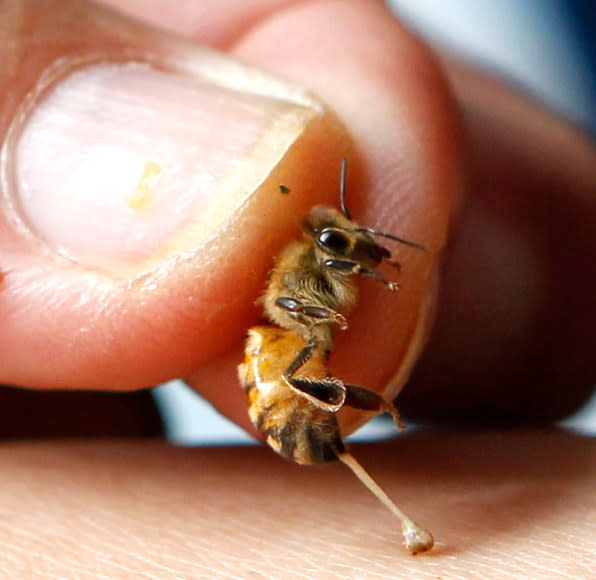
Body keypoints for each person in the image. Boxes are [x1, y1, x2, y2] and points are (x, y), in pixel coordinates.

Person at [0, 0, 594, 576]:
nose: (361, 255)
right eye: (348, 252)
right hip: (281, 380)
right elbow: (287, 301)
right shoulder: (296, 285)